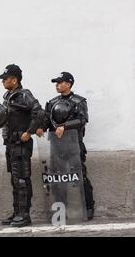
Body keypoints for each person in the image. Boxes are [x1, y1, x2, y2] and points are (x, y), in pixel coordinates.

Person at [36, 71, 95, 220]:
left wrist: (65, 127)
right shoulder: (52, 102)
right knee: (58, 179)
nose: (57, 85)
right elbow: (47, 121)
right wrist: (40, 128)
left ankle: (88, 207)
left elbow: (82, 120)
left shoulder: (79, 101)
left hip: (74, 145)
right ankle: (60, 209)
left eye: (60, 82)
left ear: (68, 84)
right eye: (56, 83)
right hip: (57, 146)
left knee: (81, 177)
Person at [0, 64, 43, 227]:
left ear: (14, 80)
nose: (2, 82)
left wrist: (29, 132)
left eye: (5, 79)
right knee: (15, 180)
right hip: (11, 144)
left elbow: (39, 112)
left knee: (22, 179)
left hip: (21, 145)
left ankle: (24, 215)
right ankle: (17, 212)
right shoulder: (8, 96)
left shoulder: (24, 95)